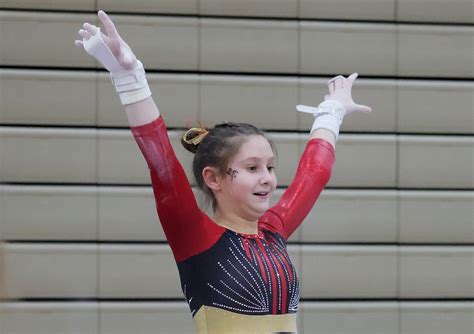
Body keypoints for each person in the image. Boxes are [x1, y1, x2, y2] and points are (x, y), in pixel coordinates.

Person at [75, 10, 371, 334]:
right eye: (252, 168)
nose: (268, 178)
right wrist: (130, 80)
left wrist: (331, 112)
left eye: (270, 167)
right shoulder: (195, 236)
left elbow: (314, 174)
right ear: (213, 178)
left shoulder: (273, 230)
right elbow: (162, 165)